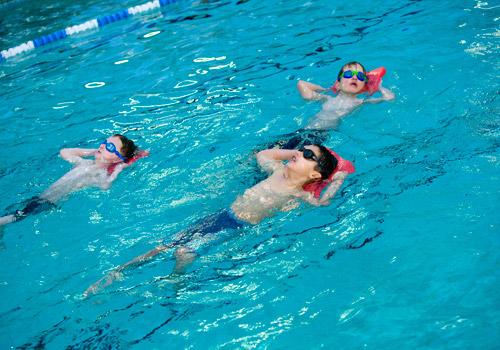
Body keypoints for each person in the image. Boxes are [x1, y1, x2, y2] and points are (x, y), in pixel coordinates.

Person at [85, 145, 353, 295]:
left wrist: (338, 177)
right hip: (222, 215)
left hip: (239, 227)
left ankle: (176, 281)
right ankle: (119, 271)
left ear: (316, 176)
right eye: (302, 149)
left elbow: (323, 202)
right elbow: (263, 155)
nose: (300, 153)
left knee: (184, 252)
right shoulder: (278, 171)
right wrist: (293, 153)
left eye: (309, 156)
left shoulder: (298, 195)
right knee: (163, 245)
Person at [0, 134, 138, 226]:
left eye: (110, 147)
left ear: (118, 158)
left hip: (50, 201)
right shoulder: (84, 163)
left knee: (11, 218)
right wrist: (92, 151)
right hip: (41, 197)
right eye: (104, 142)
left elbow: (105, 186)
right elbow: (64, 152)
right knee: (12, 213)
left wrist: (119, 169)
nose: (102, 145)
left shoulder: (101, 173)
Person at [273, 62, 395, 151]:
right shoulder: (327, 98)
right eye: (349, 74)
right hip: (303, 131)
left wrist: (378, 86)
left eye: (360, 77)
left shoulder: (360, 101)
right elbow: (301, 85)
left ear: (363, 87)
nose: (354, 77)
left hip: (320, 136)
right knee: (266, 152)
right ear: (338, 84)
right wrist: (327, 89)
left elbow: (389, 98)